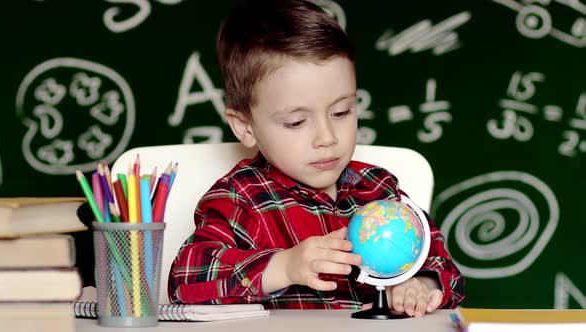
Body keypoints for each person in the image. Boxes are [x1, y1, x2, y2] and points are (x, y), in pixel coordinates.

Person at [168, 0, 464, 317]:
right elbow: (185, 280)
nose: (327, 137)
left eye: (341, 112)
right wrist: (283, 266)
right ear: (245, 127)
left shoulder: (379, 188)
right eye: (296, 122)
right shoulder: (242, 199)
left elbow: (444, 268)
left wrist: (420, 284)